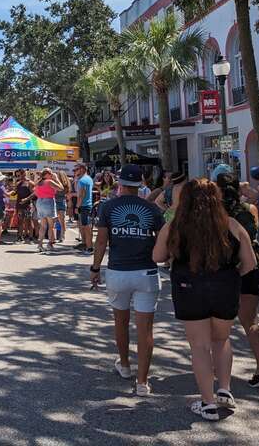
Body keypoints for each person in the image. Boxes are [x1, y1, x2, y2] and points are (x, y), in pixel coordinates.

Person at [153, 179, 256, 421]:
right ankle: (225, 390)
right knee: (221, 339)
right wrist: (231, 278)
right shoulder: (231, 224)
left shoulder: (175, 226)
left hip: (189, 287)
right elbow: (250, 264)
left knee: (199, 346)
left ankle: (208, 403)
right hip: (225, 288)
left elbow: (157, 256)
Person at [91, 165, 164, 396]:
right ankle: (142, 382)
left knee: (120, 322)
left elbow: (101, 241)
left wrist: (95, 268)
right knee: (145, 330)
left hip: (118, 272)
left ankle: (124, 365)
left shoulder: (108, 207)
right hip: (146, 272)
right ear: (140, 184)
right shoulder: (152, 209)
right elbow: (164, 239)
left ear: (120, 184)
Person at [214, 171, 259, 389]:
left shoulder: (215, 213)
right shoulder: (250, 209)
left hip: (225, 271)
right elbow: (252, 233)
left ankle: (217, 374)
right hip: (252, 267)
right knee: (250, 321)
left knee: (216, 326)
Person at [34, 168, 63, 253]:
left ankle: (40, 244)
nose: (52, 174)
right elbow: (61, 188)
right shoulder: (49, 182)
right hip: (48, 201)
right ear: (47, 174)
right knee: (51, 225)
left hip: (39, 202)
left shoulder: (38, 183)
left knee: (43, 226)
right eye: (50, 173)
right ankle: (50, 244)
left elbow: (35, 193)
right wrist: (56, 178)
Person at [75, 163, 94, 253]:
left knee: (86, 227)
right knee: (86, 227)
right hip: (87, 205)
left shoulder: (82, 180)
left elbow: (81, 195)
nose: (76, 171)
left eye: (77, 169)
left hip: (84, 206)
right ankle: (87, 246)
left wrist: (77, 206)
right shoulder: (88, 179)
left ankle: (89, 247)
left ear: (82, 169)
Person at [15, 171, 34, 242]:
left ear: (24, 174)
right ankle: (20, 236)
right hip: (19, 205)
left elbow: (33, 194)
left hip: (27, 206)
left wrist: (26, 200)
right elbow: (15, 192)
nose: (18, 177)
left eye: (19, 175)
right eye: (17, 176)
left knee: (29, 221)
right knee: (20, 222)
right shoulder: (18, 183)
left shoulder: (30, 183)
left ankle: (31, 237)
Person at [55, 170, 71, 242]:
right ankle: (61, 235)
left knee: (60, 220)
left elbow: (68, 195)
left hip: (59, 202)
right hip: (60, 202)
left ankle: (61, 235)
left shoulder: (63, 185)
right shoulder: (65, 184)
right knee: (60, 220)